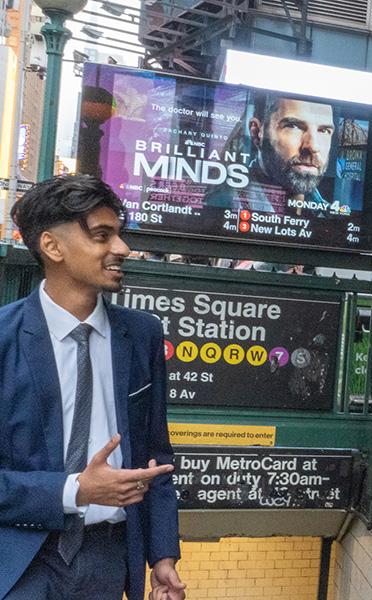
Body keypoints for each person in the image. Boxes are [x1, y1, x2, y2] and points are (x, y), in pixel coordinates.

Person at [2, 174, 185, 600]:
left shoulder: (143, 335)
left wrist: (162, 557)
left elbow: (156, 455)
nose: (122, 249)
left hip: (109, 557)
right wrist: (76, 490)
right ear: (52, 246)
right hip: (17, 558)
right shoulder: (4, 339)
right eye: (102, 236)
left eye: (119, 234)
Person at [206, 93, 335, 214]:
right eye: (294, 126)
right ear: (257, 133)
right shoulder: (218, 204)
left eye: (324, 130)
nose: (313, 146)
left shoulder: (330, 215)